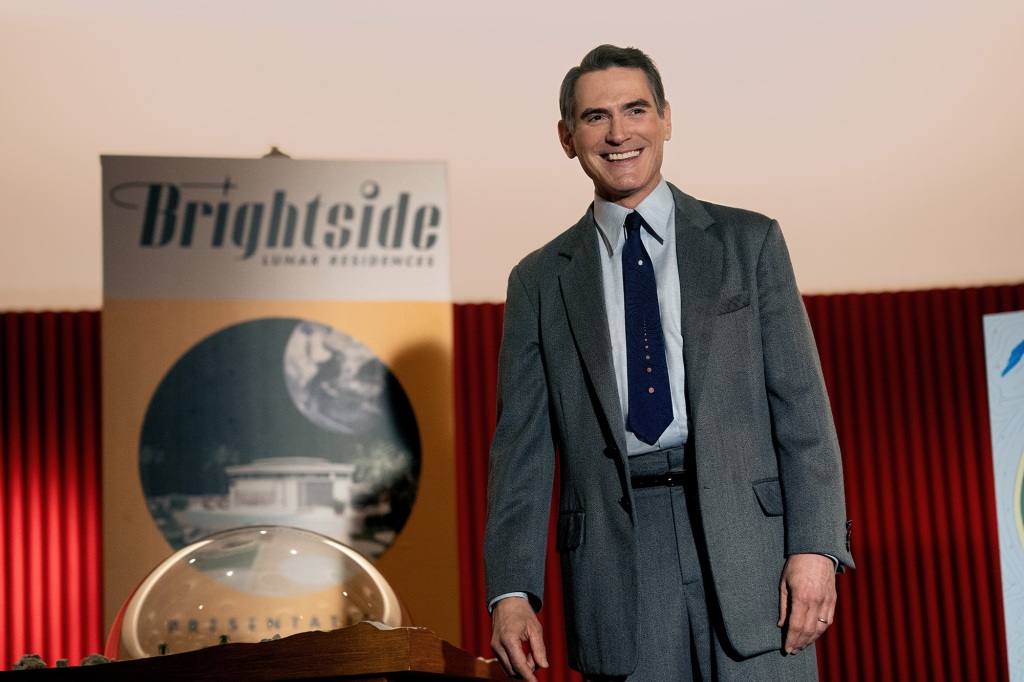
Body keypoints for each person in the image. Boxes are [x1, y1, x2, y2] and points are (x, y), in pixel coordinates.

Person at [483, 44, 854, 682]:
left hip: (750, 549)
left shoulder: (749, 242)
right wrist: (511, 590)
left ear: (666, 119)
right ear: (568, 138)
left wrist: (817, 547)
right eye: (595, 117)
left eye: (635, 110)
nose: (619, 132)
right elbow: (520, 450)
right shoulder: (538, 280)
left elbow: (803, 412)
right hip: (614, 557)